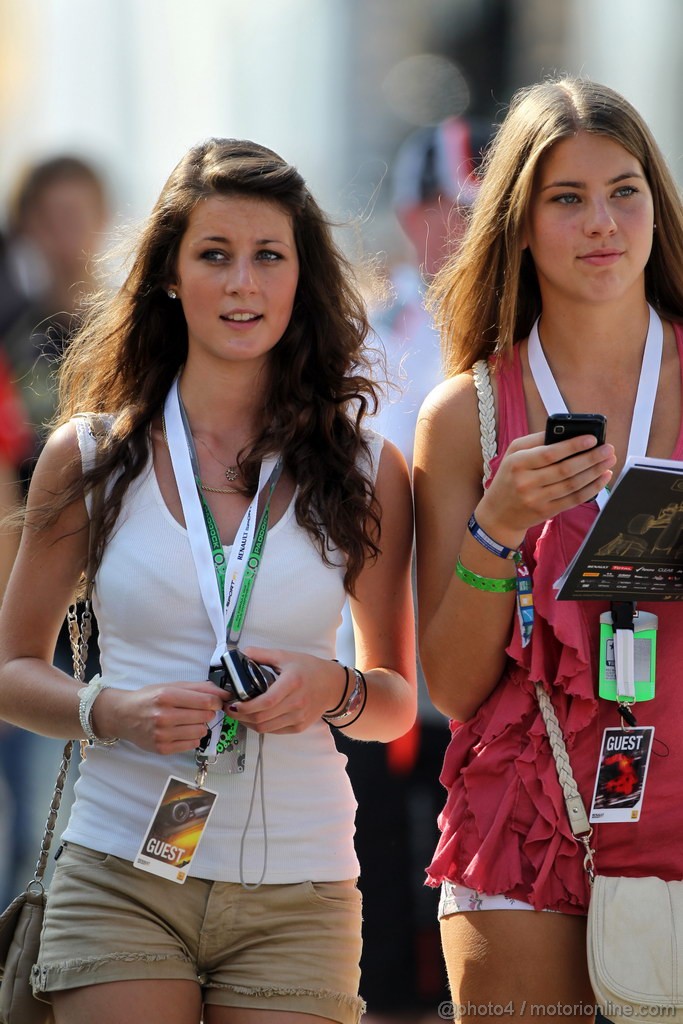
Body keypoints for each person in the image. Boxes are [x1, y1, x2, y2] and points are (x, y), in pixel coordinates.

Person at [0, 137, 416, 1024]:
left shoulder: (368, 469)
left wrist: (331, 688)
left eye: (269, 256)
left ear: (301, 279)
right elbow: (11, 671)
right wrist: (108, 710)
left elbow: (393, 702)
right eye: (214, 256)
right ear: (168, 276)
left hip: (298, 884)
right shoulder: (89, 459)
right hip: (119, 870)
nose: (242, 283)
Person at [413, 75, 683, 1020]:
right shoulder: (465, 415)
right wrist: (499, 526)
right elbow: (448, 688)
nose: (600, 222)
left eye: (623, 190)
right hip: (529, 805)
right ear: (518, 225)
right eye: (565, 198)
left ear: (658, 204)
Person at [338, 115, 490, 1023]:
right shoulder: (364, 327)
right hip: (373, 635)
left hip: (479, 632)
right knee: (376, 847)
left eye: (474, 206)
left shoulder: (522, 328)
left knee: (467, 838)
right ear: (407, 210)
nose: (457, 225)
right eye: (443, 204)